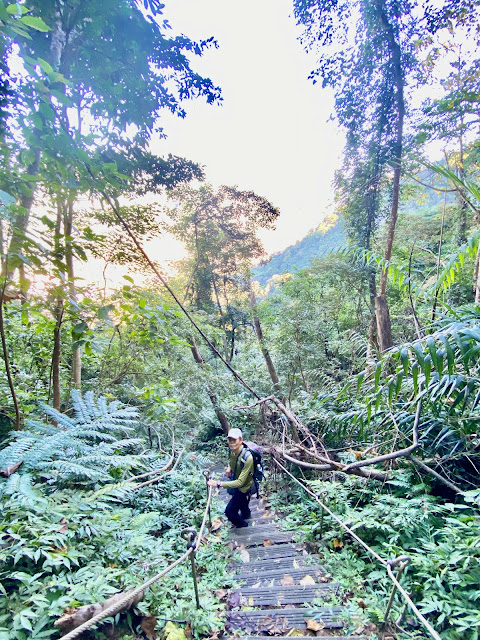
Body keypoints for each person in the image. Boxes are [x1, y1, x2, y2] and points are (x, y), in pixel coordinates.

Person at [207, 428, 253, 528]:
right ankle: (246, 515)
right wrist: (229, 467)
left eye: (234, 440)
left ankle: (243, 526)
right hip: (236, 480)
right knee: (241, 501)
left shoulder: (248, 458)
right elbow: (232, 461)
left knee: (230, 512)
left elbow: (240, 482)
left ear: (241, 440)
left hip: (244, 486)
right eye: (230, 440)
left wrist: (219, 484)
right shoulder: (232, 451)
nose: (232, 443)